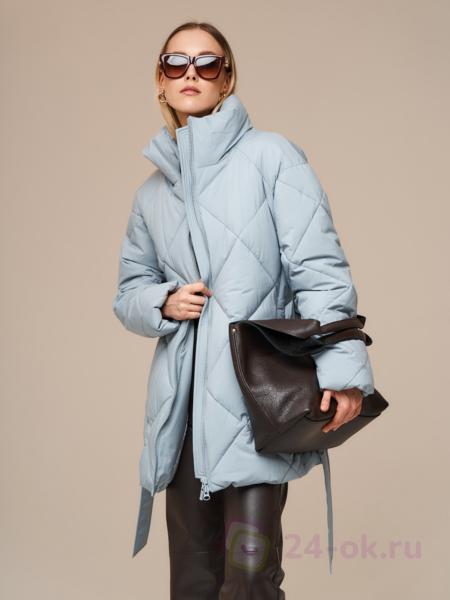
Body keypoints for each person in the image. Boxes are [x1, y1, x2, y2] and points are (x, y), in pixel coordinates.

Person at [112, 20, 375, 599]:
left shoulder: (270, 156)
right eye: (176, 62)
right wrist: (162, 301)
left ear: (226, 79)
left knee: (251, 581)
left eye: (207, 63)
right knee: (193, 582)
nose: (191, 73)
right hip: (182, 415)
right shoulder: (152, 192)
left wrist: (344, 374)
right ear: (161, 79)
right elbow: (128, 292)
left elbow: (320, 270)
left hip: (257, 407)